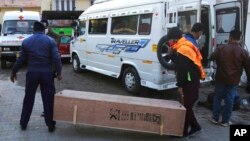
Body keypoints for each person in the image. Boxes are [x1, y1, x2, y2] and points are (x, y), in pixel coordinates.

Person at [10, 21, 62, 132]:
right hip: (47, 74)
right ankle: (50, 125)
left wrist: (13, 72)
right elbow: (57, 58)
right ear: (44, 30)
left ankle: (23, 123)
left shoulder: (26, 42)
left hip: (32, 73)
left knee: (28, 99)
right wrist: (59, 73)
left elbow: (20, 60)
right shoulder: (50, 41)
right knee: (49, 100)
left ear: (34, 30)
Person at [166, 27, 206, 137]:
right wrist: (171, 54)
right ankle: (195, 126)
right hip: (191, 81)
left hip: (190, 82)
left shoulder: (183, 49)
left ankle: (181, 132)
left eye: (169, 40)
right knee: (186, 106)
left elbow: (182, 70)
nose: (168, 42)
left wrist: (180, 86)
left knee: (185, 107)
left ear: (174, 39)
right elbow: (179, 63)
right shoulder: (183, 46)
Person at [209, 29, 250, 126]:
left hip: (220, 78)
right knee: (230, 100)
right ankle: (225, 121)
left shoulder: (221, 48)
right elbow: (248, 67)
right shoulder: (243, 52)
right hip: (234, 80)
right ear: (239, 38)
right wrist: (249, 80)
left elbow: (212, 57)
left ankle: (215, 118)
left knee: (217, 97)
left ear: (230, 37)